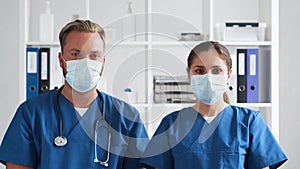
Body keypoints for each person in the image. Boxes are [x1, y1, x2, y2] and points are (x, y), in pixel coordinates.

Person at [0, 19, 149, 169]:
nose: (85, 62)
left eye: (94, 56)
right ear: (61, 60)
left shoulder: (126, 117)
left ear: (103, 62)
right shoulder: (32, 113)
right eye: (76, 54)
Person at [140, 41, 288, 169]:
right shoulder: (171, 124)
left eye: (216, 71)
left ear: (229, 75)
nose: (208, 78)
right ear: (189, 75)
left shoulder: (249, 122)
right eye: (199, 70)